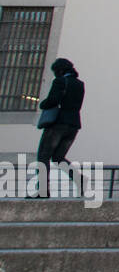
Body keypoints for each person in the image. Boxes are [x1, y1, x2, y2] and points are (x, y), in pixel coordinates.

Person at [34, 58, 84, 198]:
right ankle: (79, 180)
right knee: (58, 157)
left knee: (43, 156)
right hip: (73, 125)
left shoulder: (60, 81)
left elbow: (53, 100)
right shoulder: (79, 84)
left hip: (57, 124)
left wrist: (42, 104)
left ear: (59, 70)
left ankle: (42, 190)